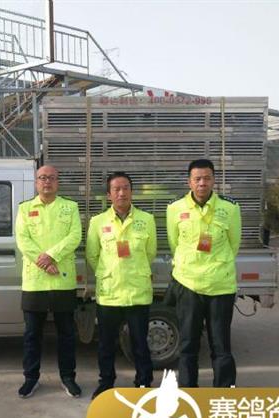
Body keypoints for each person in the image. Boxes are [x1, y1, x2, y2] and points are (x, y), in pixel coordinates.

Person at [166, 158, 241, 388]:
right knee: (188, 345)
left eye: (207, 178)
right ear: (189, 181)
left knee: (221, 346)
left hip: (220, 287)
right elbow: (174, 243)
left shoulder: (230, 208)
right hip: (188, 285)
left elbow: (234, 244)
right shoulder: (175, 208)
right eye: (197, 179)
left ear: (214, 180)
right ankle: (189, 392)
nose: (202, 183)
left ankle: (223, 393)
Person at [86, 171, 156, 399]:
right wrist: (108, 272)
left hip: (138, 292)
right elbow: (92, 255)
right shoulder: (98, 222)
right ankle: (106, 383)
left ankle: (143, 382)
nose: (121, 193)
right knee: (106, 345)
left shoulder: (147, 219)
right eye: (116, 189)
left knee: (140, 343)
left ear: (132, 192)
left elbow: (150, 253)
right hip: (110, 293)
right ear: (109, 195)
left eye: (126, 188)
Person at [15, 165, 82, 398]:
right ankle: (31, 378)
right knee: (32, 335)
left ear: (57, 182)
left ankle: (68, 378)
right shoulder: (25, 209)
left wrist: (52, 255)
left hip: (62, 280)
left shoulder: (70, 207)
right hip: (35, 282)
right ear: (36, 182)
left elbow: (75, 236)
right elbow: (22, 240)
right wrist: (44, 262)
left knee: (67, 334)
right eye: (42, 178)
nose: (47, 182)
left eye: (51, 178)